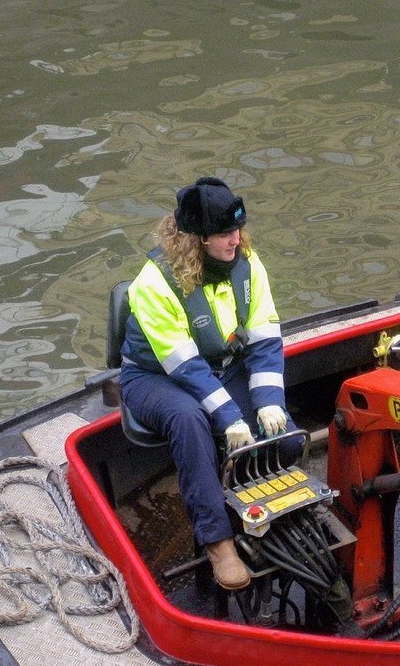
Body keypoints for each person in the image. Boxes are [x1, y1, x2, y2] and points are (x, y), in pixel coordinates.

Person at [120, 176, 301, 590]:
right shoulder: (154, 283)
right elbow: (184, 366)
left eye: (237, 229)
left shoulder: (248, 263)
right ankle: (219, 543)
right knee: (191, 423)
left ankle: (260, 509)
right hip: (156, 377)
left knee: (285, 439)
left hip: (220, 366)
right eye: (223, 233)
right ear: (197, 239)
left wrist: (269, 401)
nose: (235, 240)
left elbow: (264, 337)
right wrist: (230, 416)